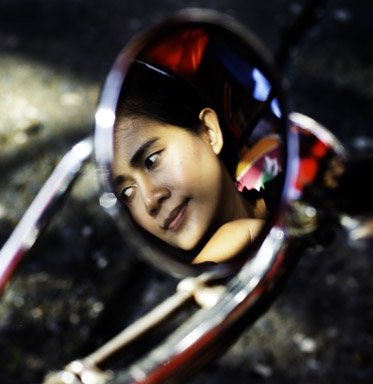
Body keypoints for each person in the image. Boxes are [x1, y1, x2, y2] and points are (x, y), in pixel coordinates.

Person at [112, 60, 275, 264]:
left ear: (209, 131)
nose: (150, 202)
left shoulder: (285, 182)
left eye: (151, 161)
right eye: (127, 192)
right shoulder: (194, 286)